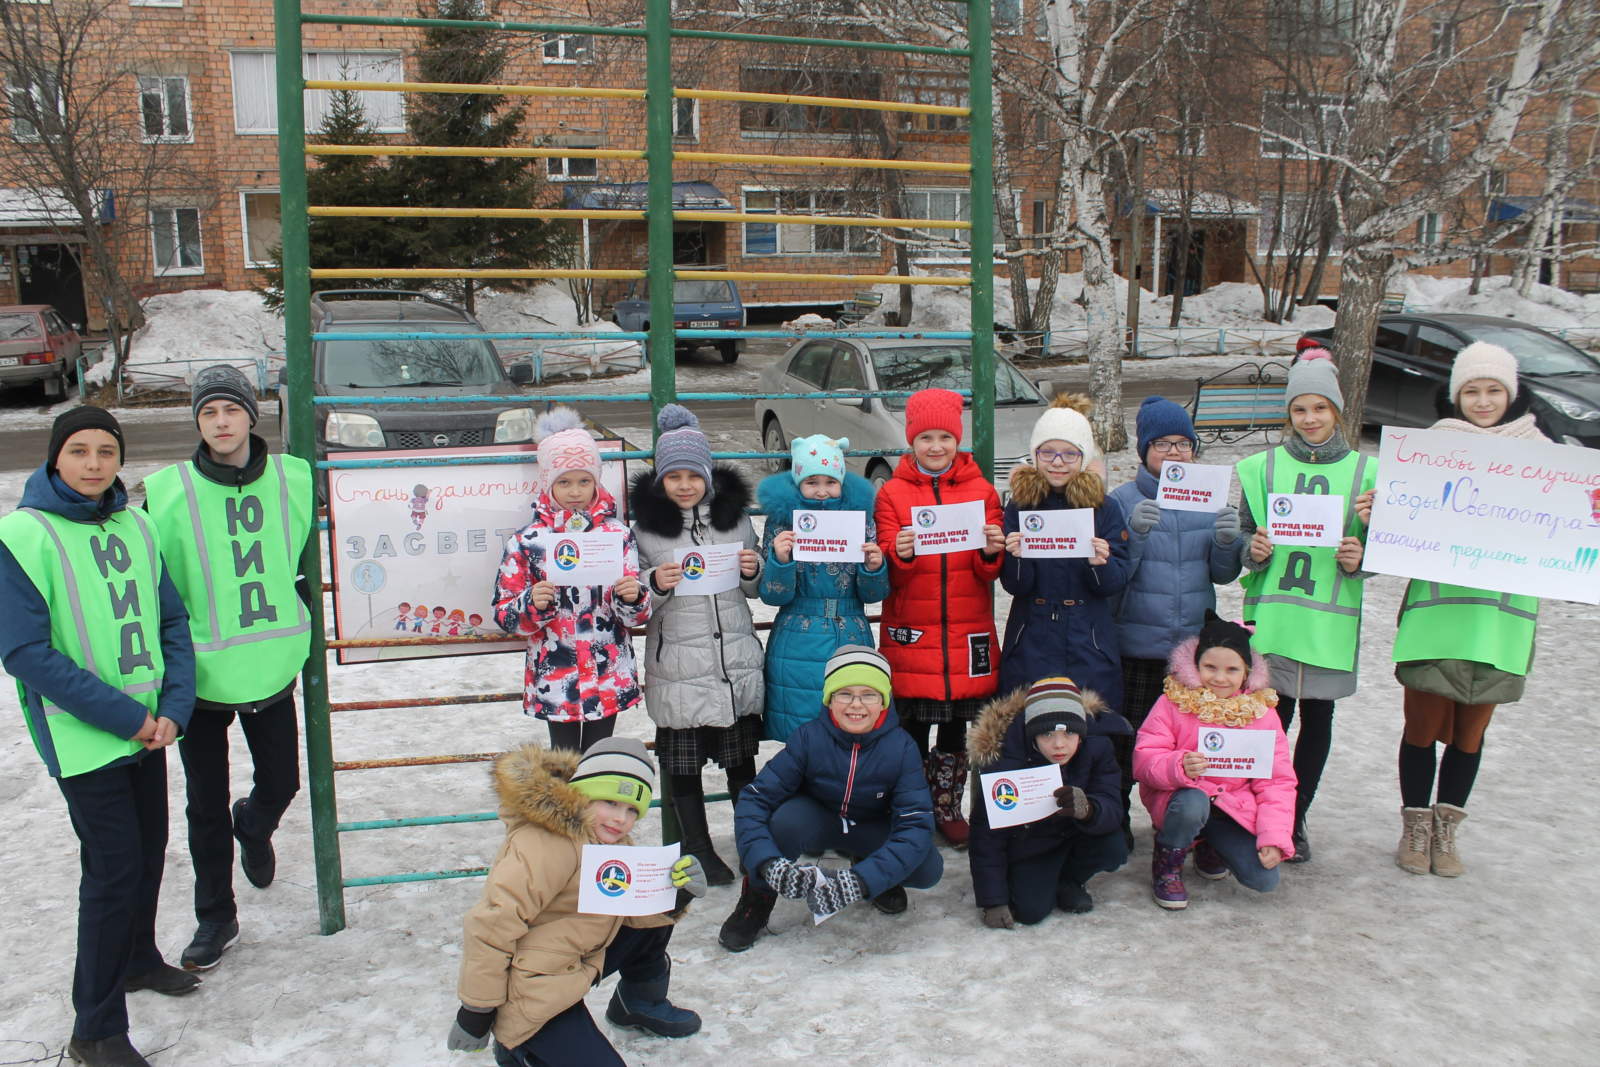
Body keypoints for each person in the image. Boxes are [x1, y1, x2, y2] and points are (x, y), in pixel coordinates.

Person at [0, 407, 197, 1067]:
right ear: (56, 456)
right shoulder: (22, 535)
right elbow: (27, 653)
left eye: (106, 451)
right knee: (112, 869)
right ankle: (96, 1027)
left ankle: (139, 956)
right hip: (84, 737)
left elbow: (171, 618)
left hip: (147, 726)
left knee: (148, 851)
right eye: (78, 450)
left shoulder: (137, 523)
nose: (92, 463)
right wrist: (128, 717)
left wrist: (173, 704)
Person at [141, 365, 313, 974]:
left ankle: (257, 822)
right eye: (208, 412)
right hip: (200, 675)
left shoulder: (294, 479)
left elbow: (303, 565)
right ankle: (216, 916)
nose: (220, 422)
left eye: (230, 410)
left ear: (251, 415)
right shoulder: (166, 490)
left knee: (283, 780)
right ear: (197, 422)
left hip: (270, 663)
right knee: (203, 804)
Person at [446, 738, 707, 1065]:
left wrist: (674, 893)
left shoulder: (608, 841)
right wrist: (477, 1010)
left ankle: (638, 1003)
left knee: (651, 915)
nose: (620, 819)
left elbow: (629, 913)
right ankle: (520, 1043)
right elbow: (493, 924)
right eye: (610, 802)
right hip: (530, 983)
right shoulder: (545, 842)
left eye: (631, 810)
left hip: (570, 961)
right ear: (581, 793)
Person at [1391, 342, 1548, 878]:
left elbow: (1567, 529)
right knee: (1421, 726)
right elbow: (1402, 521)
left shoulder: (1546, 456)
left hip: (1500, 621)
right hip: (1438, 615)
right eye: (1472, 391)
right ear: (1456, 396)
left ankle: (1445, 829)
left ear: (1512, 393)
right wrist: (1380, 510)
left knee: (1471, 734)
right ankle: (1413, 824)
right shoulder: (1431, 450)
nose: (1483, 401)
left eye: (1493, 390)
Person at [1235, 349, 1375, 862]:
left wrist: (1365, 554)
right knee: (1270, 725)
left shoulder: (1367, 472)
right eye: (1300, 409)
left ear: (1337, 409)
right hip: (1273, 620)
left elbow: (1388, 549)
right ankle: (1258, 811)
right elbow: (1240, 535)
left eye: (1320, 407)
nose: (1310, 418)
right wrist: (1251, 549)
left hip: (1328, 625)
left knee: (1318, 724)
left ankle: (1296, 818)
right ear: (1288, 413)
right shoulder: (1260, 467)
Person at [720, 645, 942, 951]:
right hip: (818, 820)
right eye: (845, 694)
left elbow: (916, 825)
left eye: (868, 694)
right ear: (829, 699)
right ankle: (756, 899)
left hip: (870, 827)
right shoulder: (809, 737)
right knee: (784, 823)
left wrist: (861, 881)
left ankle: (874, 872)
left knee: (928, 867)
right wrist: (767, 864)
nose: (856, 705)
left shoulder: (901, 748)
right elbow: (755, 800)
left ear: (883, 702)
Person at [631, 404, 763, 885]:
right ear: (660, 481)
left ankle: (753, 844)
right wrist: (655, 582)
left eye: (694, 475)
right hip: (679, 666)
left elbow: (755, 587)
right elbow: (635, 601)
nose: (685, 485)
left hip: (733, 662)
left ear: (708, 476)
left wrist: (754, 571)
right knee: (682, 765)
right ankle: (699, 848)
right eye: (674, 477)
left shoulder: (736, 520)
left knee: (740, 762)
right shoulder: (645, 529)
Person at [1109, 396, 1245, 842]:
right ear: (1143, 450)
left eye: (1183, 443)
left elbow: (1222, 575)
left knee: (1187, 743)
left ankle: (1183, 821)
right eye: (1162, 443)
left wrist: (1227, 542)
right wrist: (1135, 534)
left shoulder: (1207, 500)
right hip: (1136, 645)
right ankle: (1118, 819)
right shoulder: (1121, 500)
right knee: (1127, 739)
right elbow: (1113, 579)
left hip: (1191, 650)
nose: (1174, 453)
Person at [874, 387, 1005, 847]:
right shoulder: (891, 493)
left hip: (967, 629)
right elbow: (885, 564)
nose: (935, 447)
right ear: (911, 439)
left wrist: (991, 552)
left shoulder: (982, 491)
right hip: (914, 632)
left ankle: (947, 806)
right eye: (925, 437)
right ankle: (909, 808)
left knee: (954, 729)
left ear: (957, 439)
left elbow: (990, 568)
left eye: (944, 437)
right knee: (909, 727)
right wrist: (899, 553)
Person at [493, 407, 650, 753]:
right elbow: (505, 614)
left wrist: (632, 598)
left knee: (598, 762)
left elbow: (637, 616)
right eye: (564, 482)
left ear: (597, 481)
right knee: (564, 765)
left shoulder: (617, 536)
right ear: (548, 483)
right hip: (556, 676)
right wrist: (532, 604)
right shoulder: (528, 541)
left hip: (608, 673)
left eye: (584, 480)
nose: (575, 491)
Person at [1134, 612, 1297, 910]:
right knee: (1193, 803)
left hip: (1231, 807)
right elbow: (1145, 759)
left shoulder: (1262, 712)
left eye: (1232, 669)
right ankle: (1167, 864)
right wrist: (1178, 766)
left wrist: (1274, 836)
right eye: (1210, 667)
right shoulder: (1174, 701)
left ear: (1246, 672)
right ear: (1196, 666)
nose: (1220, 678)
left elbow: (1277, 781)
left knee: (1264, 880)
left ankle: (1211, 844)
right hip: (1181, 800)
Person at [1000, 393, 1131, 708]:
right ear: (1035, 455)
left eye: (1069, 454)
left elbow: (1115, 583)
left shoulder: (1105, 508)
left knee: (1091, 727)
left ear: (1083, 458)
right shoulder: (1021, 505)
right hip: (1032, 632)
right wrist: (1016, 558)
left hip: (1087, 635)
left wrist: (1100, 563)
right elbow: (1015, 586)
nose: (1057, 463)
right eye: (1048, 453)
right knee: (1028, 722)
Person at [757, 433, 889, 743]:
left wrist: (873, 567)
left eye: (830, 482)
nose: (821, 491)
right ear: (798, 483)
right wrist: (780, 559)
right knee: (801, 736)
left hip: (851, 631)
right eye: (812, 482)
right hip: (796, 638)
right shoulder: (781, 523)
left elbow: (874, 596)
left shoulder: (861, 520)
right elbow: (774, 595)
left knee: (849, 729)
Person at [967, 677, 1130, 927]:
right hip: (1031, 847)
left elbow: (1111, 803)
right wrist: (993, 900)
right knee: (1029, 912)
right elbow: (986, 835)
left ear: (1082, 732)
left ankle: (1070, 880)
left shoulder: (1098, 749)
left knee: (1113, 846)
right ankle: (1036, 881)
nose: (1059, 744)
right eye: (1047, 733)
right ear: (1031, 734)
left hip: (1077, 839)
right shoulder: (1006, 761)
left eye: (1070, 732)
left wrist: (1088, 810)